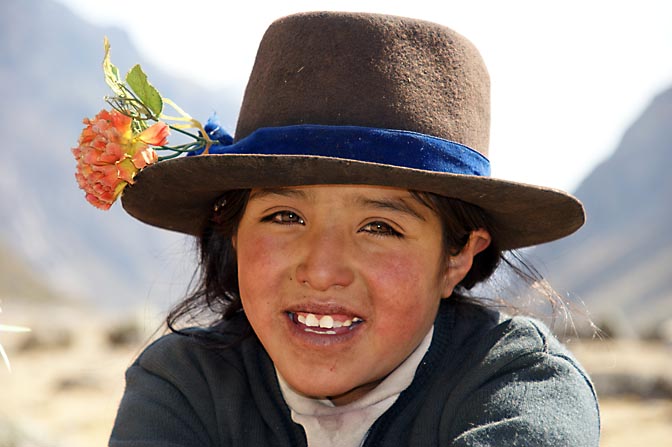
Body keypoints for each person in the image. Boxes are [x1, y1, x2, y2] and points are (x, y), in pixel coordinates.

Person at [103, 11, 600, 446]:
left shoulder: (522, 388)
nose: (321, 271)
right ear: (231, 231)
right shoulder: (185, 385)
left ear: (458, 258)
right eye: (285, 217)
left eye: (380, 227)